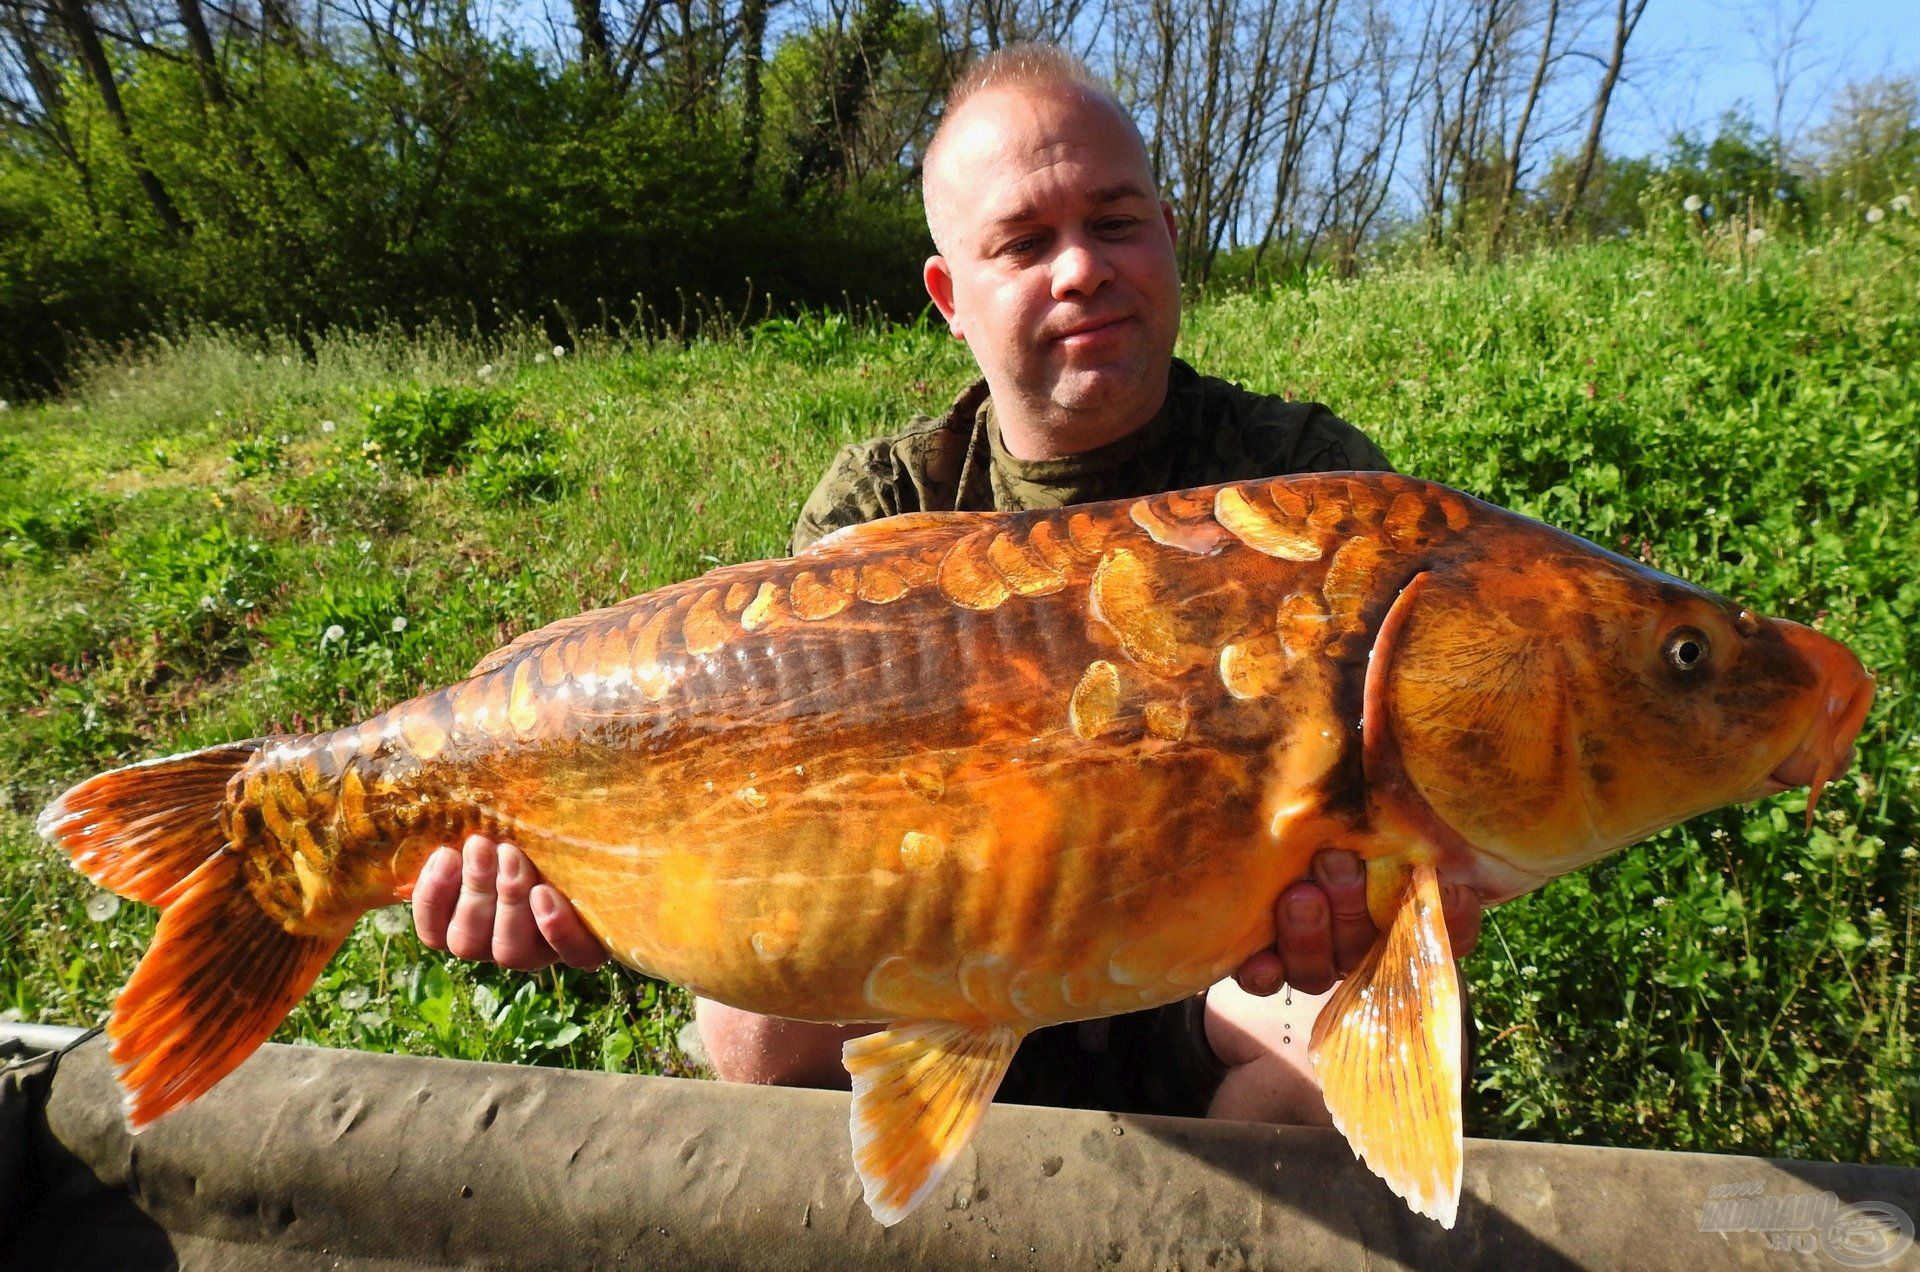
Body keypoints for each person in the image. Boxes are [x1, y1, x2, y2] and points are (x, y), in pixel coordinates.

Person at [412, 43, 1485, 1125]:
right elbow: (746, 800)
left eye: (1114, 222)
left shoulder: (1316, 493)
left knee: (1336, 1051)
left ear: (1167, 237)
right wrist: (579, 875)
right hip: (926, 954)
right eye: (1023, 243)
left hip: (1215, 977)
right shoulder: (885, 500)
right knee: (749, 1028)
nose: (1080, 269)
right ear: (951, 296)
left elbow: (1435, 841)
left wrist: (1412, 897)